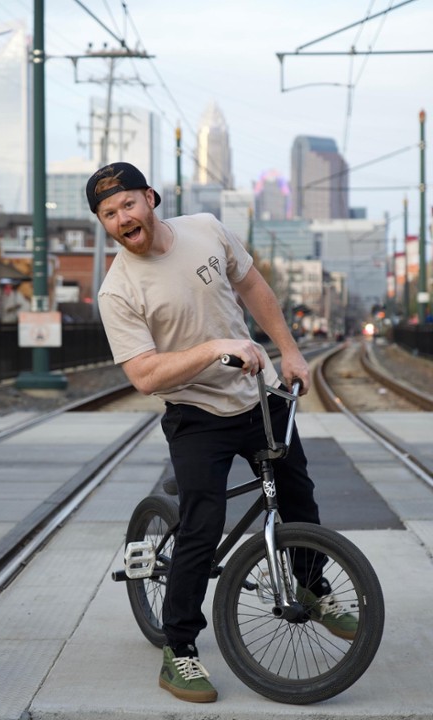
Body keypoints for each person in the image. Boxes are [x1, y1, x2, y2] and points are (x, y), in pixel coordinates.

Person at [86, 162, 357, 704]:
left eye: (127, 206)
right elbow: (143, 376)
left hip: (257, 397)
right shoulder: (117, 291)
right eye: (108, 215)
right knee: (202, 523)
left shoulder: (206, 229)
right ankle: (179, 648)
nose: (121, 219)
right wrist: (213, 350)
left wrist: (291, 350)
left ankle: (312, 585)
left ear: (150, 198)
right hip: (195, 412)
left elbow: (252, 284)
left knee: (299, 496)